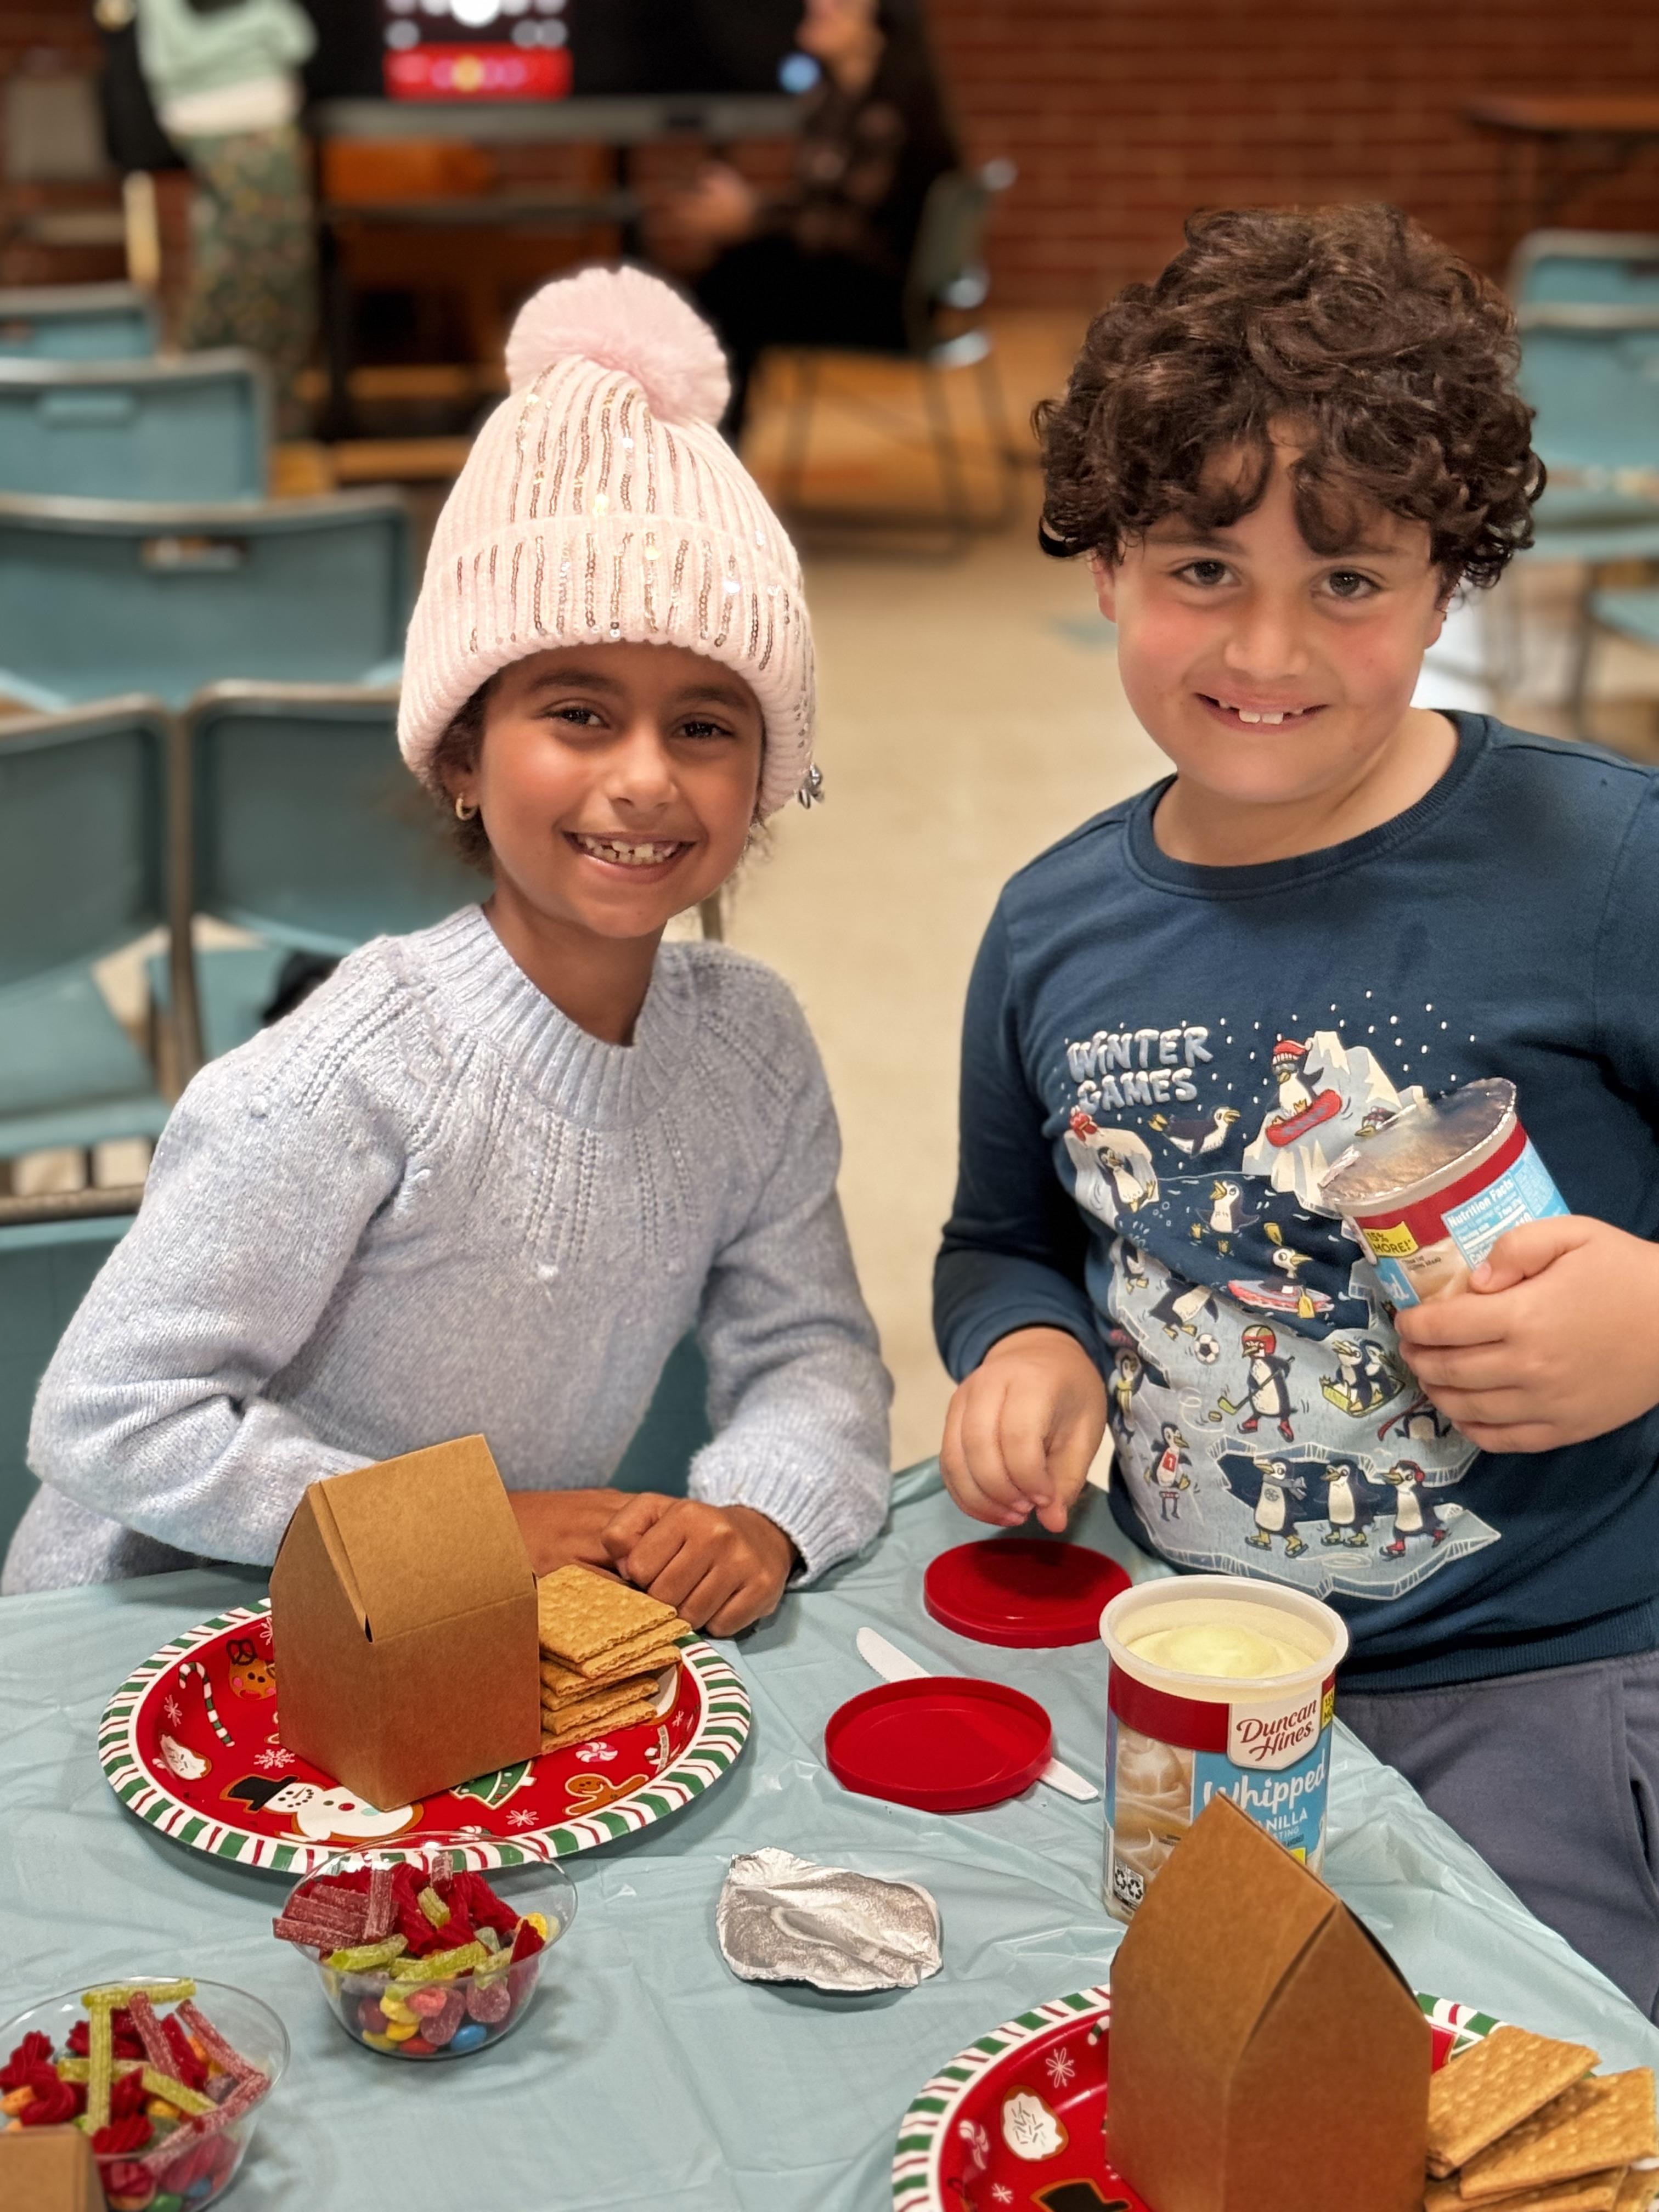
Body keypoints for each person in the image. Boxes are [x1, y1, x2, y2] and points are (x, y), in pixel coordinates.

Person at [932, 203, 1659, 2019]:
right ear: (1101, 566)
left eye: (1347, 582)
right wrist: (1024, 1348)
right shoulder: (1050, 924)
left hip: (1553, 1679)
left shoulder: (1607, 862)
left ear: (1444, 587)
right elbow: (1002, 1238)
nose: (1264, 647)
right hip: (1190, 1681)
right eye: (1199, 570)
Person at [6, 265, 893, 1641]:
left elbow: (812, 1356)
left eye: (707, 726)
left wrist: (763, 1513)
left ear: (768, 776)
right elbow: (109, 1417)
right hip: (166, 1642)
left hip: (454, 1643)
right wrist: (461, 1530)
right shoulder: (350, 1073)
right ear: (465, 755)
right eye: (580, 713)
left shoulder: (752, 1046)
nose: (647, 778)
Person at [651, 0, 959, 437]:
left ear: (878, 20)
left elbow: (851, 232)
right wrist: (750, 216)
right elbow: (821, 212)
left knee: (729, 289)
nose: (817, 5)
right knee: (733, 276)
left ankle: (708, 444)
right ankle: (708, 440)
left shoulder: (889, 114)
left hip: (886, 304)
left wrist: (751, 216)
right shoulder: (836, 99)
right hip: (856, 283)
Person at [132, 0, 318, 433]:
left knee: (270, 270)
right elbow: (175, 58)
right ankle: (200, 415)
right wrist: (261, 28)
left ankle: (262, 429)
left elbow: (296, 40)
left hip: (262, 114)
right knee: (241, 274)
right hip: (215, 116)